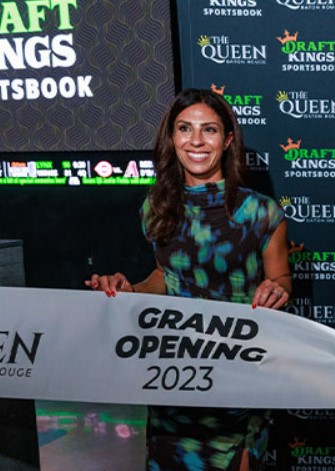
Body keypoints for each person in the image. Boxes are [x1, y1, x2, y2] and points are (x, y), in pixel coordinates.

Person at [86, 88, 291, 471]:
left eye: (208, 130)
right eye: (185, 128)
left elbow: (280, 277)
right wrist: (130, 290)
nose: (196, 140)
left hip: (239, 376)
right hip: (175, 378)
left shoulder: (260, 212)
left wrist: (276, 289)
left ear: (227, 140)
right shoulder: (157, 206)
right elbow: (165, 276)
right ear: (172, 137)